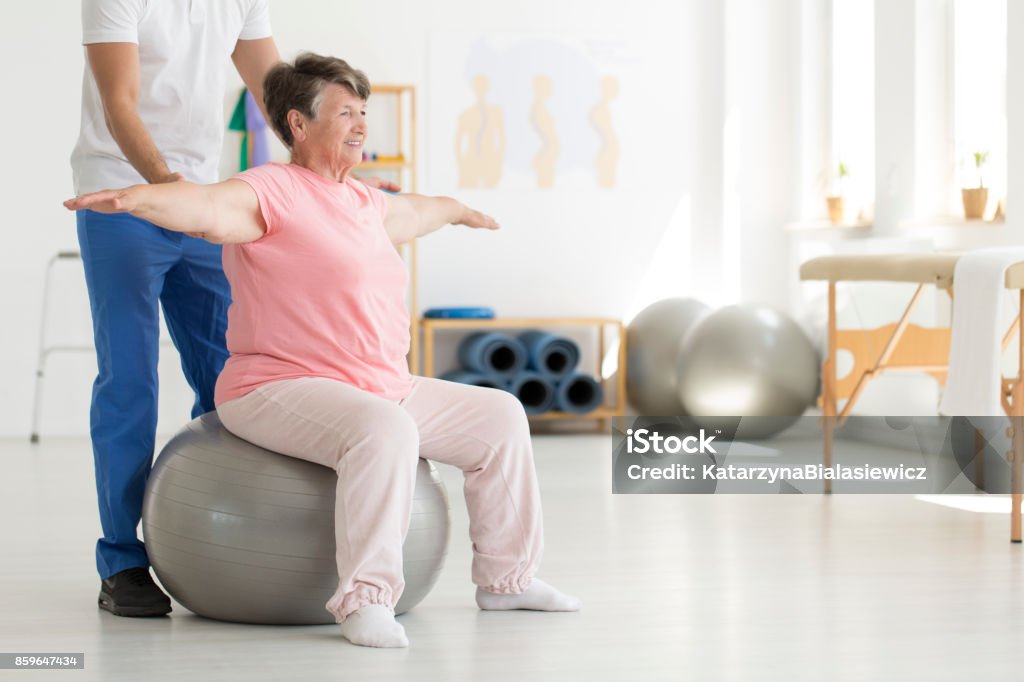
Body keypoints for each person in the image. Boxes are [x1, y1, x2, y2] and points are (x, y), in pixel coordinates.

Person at [66, 53, 581, 648]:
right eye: (345, 113)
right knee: (384, 429)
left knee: (500, 417)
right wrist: (139, 201)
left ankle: (507, 579)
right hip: (278, 387)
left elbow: (417, 210)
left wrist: (458, 210)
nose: (362, 123)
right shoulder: (270, 189)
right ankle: (366, 600)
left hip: (378, 384)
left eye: (364, 112)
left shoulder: (364, 203)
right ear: (299, 124)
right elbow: (207, 210)